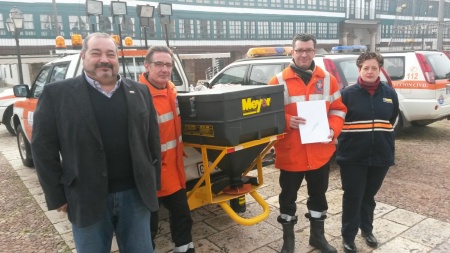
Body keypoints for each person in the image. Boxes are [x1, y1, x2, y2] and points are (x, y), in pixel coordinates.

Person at [31, 32, 161, 253]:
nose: (104, 59)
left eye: (111, 54)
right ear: (83, 56)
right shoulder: (57, 94)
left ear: (117, 58)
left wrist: (153, 183)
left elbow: (152, 141)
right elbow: (43, 148)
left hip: (136, 198)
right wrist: (57, 195)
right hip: (85, 197)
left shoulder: (139, 91)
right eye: (96, 53)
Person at [268, 33, 347, 253]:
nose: (304, 54)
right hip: (291, 153)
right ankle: (288, 241)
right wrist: (285, 121)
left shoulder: (328, 79)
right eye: (299, 50)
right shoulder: (278, 81)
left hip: (320, 152)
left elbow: (338, 109)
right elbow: (267, 114)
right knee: (287, 198)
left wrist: (333, 129)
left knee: (319, 196)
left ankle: (317, 237)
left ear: (314, 51)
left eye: (308, 50)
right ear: (292, 52)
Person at [336, 52, 399, 253]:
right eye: (366, 68)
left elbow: (392, 119)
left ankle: (367, 230)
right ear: (359, 70)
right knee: (353, 196)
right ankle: (348, 236)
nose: (370, 71)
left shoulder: (390, 94)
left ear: (380, 69)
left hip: (381, 155)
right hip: (353, 156)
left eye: (374, 68)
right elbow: (337, 120)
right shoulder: (347, 94)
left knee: (369, 196)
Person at [138, 46, 195, 253]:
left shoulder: (171, 90)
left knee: (183, 218)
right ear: (147, 66)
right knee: (148, 227)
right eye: (159, 64)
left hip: (174, 172)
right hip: (151, 176)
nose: (164, 69)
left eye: (168, 65)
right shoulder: (138, 96)